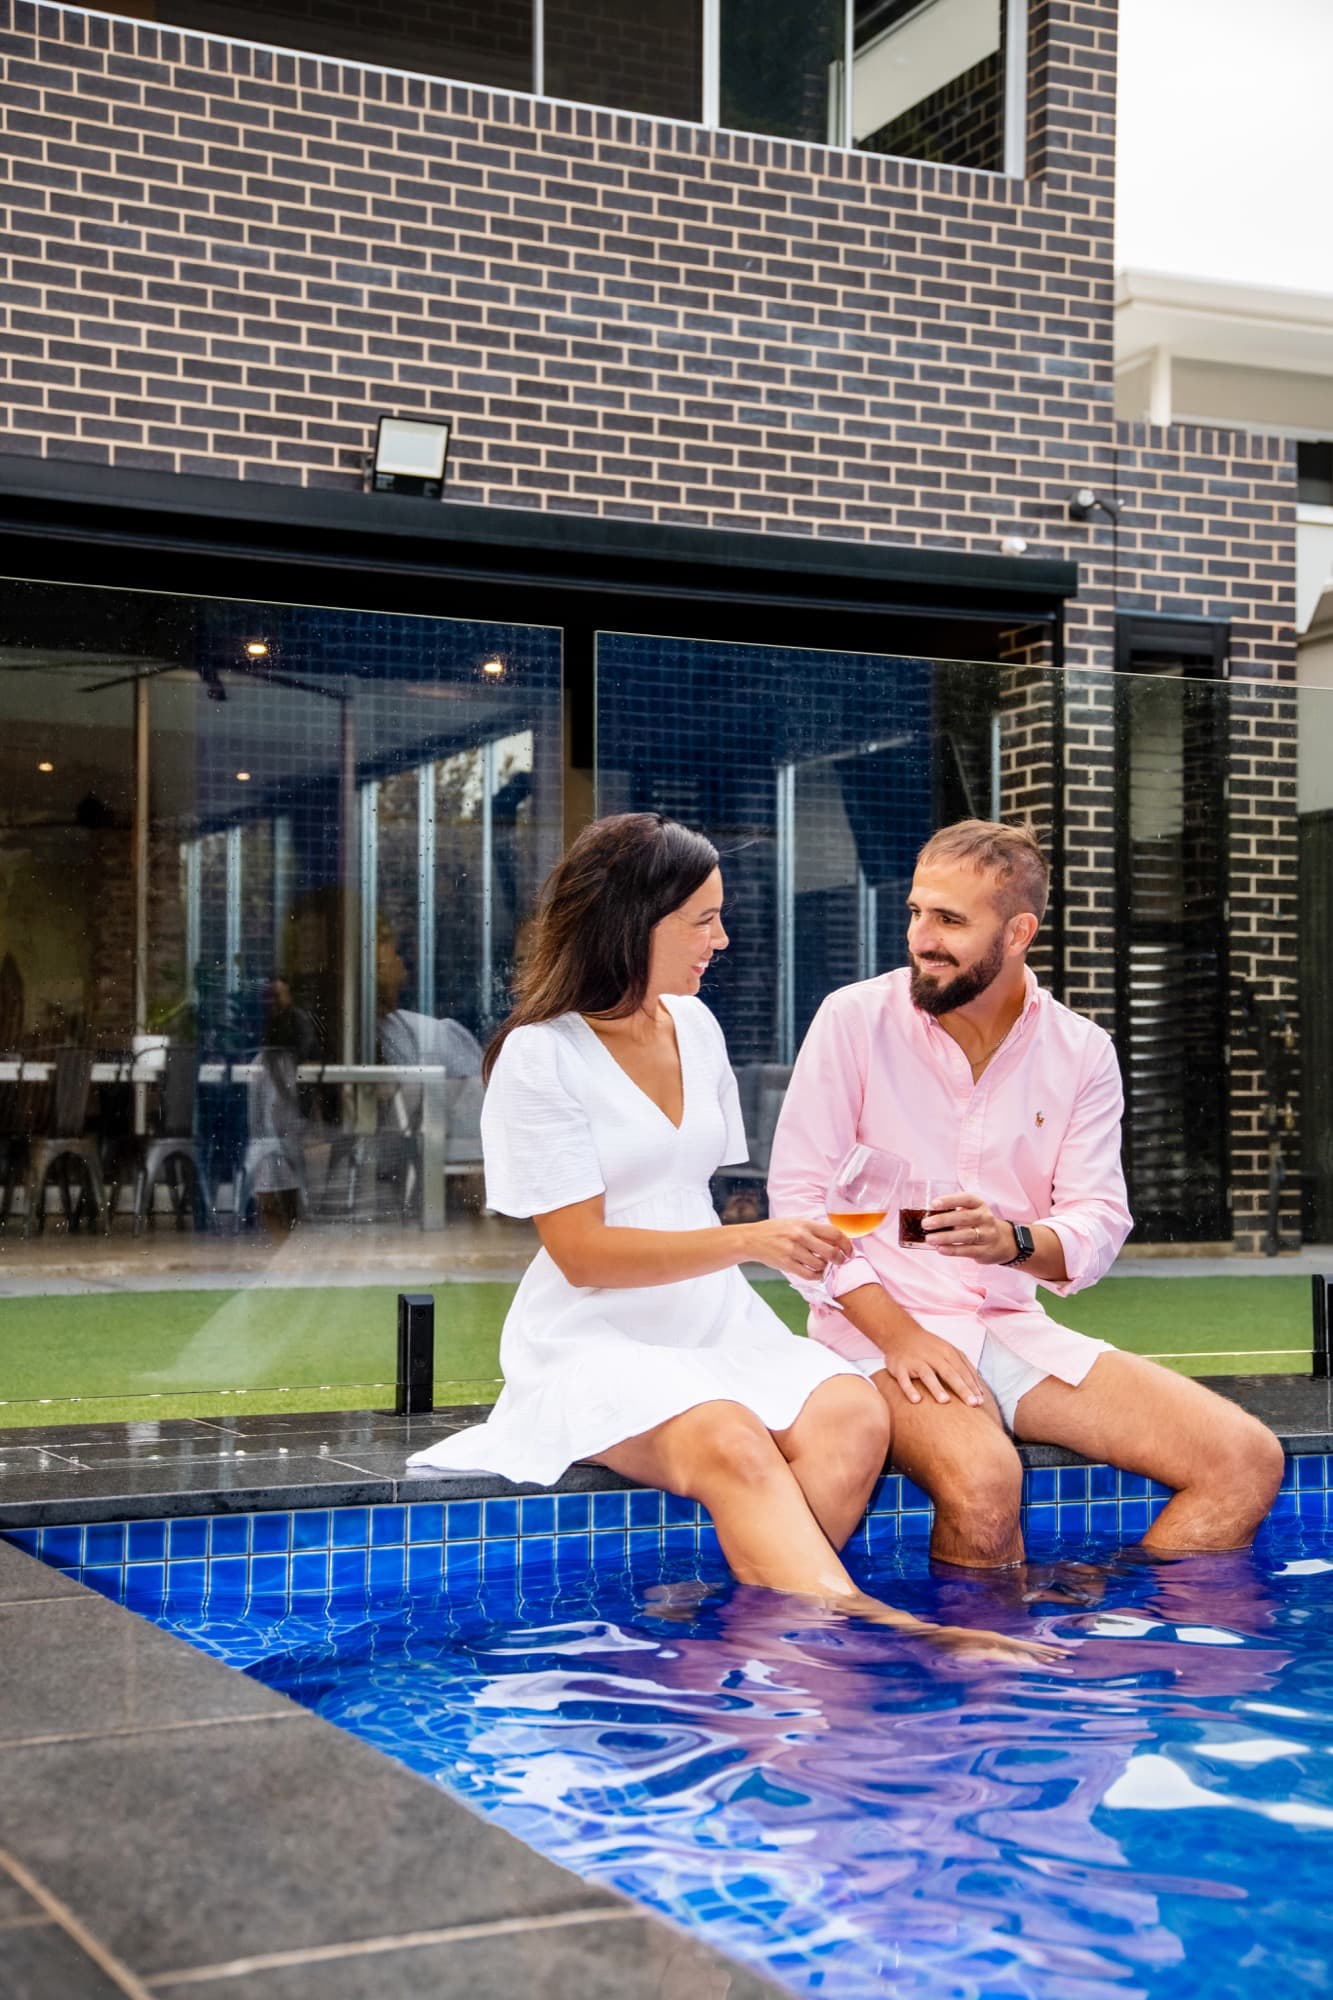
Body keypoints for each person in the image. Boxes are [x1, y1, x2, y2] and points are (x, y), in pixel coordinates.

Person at [408, 813, 1060, 1662]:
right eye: (701, 920)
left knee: (852, 1415)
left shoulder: (696, 1026)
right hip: (595, 1334)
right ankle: (874, 1625)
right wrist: (751, 1243)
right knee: (730, 1439)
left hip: (717, 1324)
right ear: (631, 923)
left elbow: (684, 1197)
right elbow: (583, 1253)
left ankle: (750, 1641)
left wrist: (801, 1235)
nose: (722, 937)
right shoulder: (541, 1058)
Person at [768, 818, 1284, 1569]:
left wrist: (1012, 1241)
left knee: (1243, 1460)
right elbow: (800, 1204)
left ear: (1017, 933)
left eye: (949, 919)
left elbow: (1098, 1219)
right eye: (915, 912)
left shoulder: (1080, 1052)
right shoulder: (853, 1021)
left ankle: (1096, 1633)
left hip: (1010, 1328)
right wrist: (900, 1337)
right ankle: (969, 1675)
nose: (921, 936)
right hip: (878, 1333)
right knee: (983, 1482)